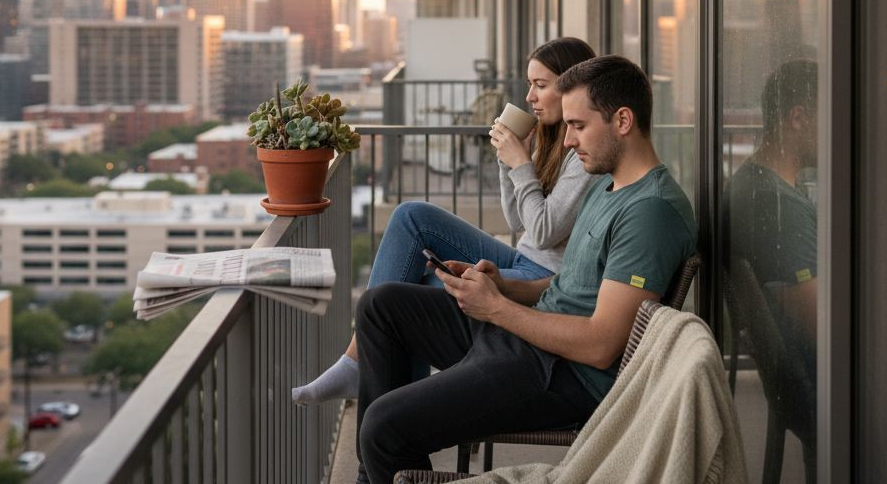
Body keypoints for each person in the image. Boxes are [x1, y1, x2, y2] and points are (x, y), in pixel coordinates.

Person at [353, 55, 697, 484]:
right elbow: (572, 285)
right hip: (529, 335)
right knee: (381, 306)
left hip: (561, 374)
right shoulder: (608, 185)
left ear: (623, 120)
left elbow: (601, 346)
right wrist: (502, 288)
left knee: (383, 426)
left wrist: (495, 309)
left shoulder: (651, 213)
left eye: (578, 125)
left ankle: (380, 469)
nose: (567, 141)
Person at [291, 37, 600, 405]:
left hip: (544, 278)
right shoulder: (550, 138)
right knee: (411, 216)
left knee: (414, 295)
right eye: (529, 84)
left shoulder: (585, 154)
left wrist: (520, 164)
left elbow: (545, 232)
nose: (530, 96)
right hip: (521, 260)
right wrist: (508, 161)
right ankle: (362, 370)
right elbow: (518, 221)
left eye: (540, 85)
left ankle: (387, 397)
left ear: (571, 88)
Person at [726, 59, 818, 370]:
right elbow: (823, 327)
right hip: (830, 386)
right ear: (798, 117)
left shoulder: (752, 183)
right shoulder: (776, 206)